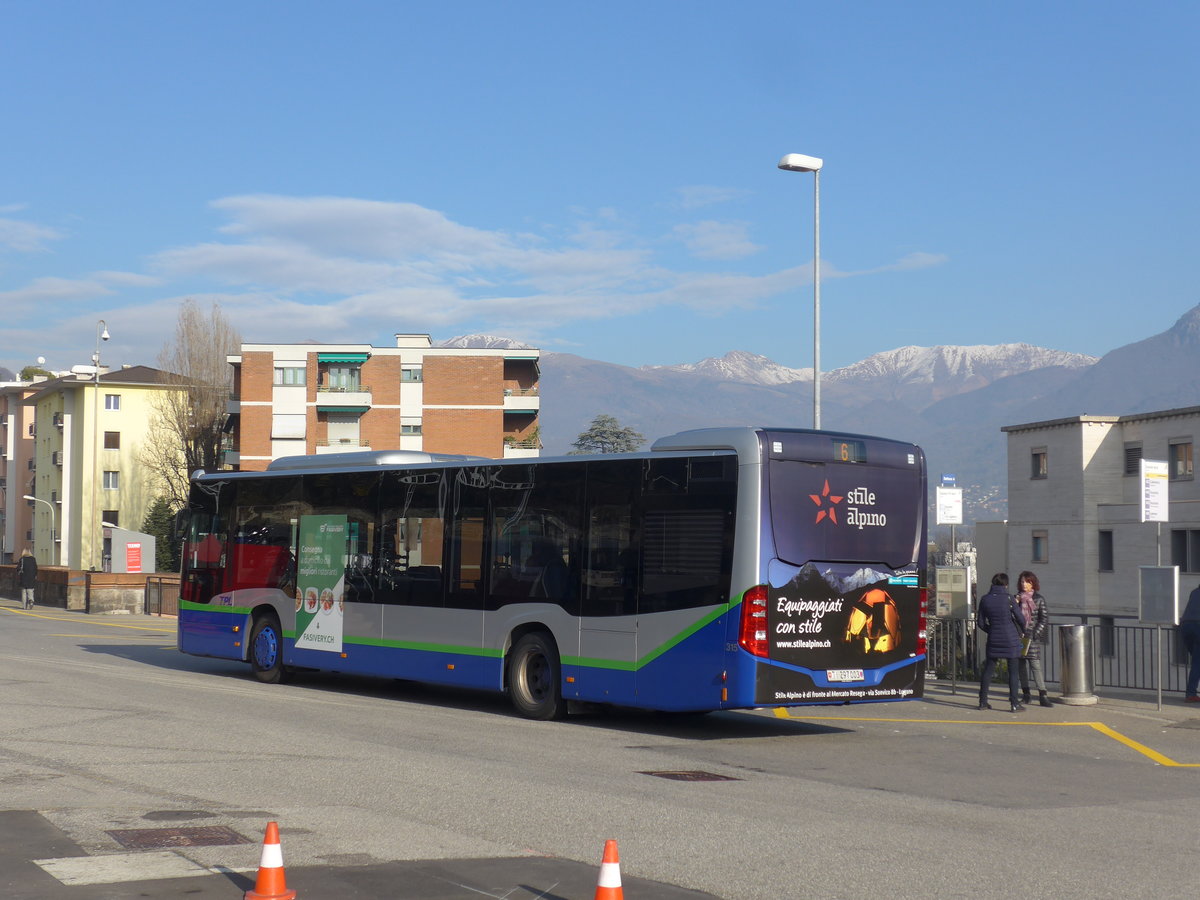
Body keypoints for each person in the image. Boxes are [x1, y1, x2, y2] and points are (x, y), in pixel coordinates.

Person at [977, 572, 1025, 712]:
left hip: (993, 639)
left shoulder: (985, 599)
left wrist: (991, 630)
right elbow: (1020, 618)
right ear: (1006, 584)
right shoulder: (1009, 599)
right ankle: (1014, 704)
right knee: (1013, 672)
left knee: (988, 670)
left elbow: (980, 622)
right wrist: (1022, 630)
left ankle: (983, 702)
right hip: (1011, 639)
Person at [1015, 570, 1053, 707]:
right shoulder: (1017, 598)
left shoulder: (1038, 599)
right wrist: (1015, 603)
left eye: (1027, 581)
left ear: (1033, 583)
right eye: (1022, 581)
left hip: (1032, 637)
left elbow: (1044, 619)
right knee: (1021, 666)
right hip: (1019, 636)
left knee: (1035, 665)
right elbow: (1012, 616)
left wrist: (1036, 633)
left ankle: (1043, 695)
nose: (1024, 584)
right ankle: (1026, 694)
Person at [1182, 585, 1200, 704]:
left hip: (1185, 626)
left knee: (1197, 661)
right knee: (1197, 662)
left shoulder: (1194, 592)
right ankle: (1191, 693)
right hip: (1198, 626)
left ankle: (1191, 692)